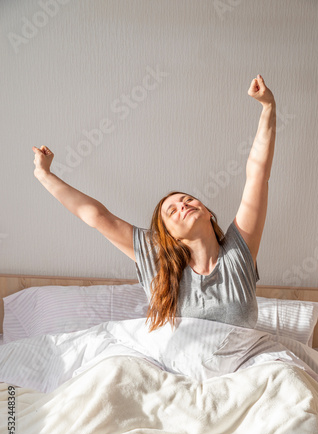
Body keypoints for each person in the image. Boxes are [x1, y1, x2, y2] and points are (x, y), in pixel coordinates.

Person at [32, 74, 276, 333]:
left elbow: (258, 173)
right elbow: (97, 216)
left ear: (207, 213)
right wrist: (44, 175)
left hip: (240, 367)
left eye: (188, 200)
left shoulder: (238, 253)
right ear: (168, 234)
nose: (183, 205)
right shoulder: (157, 258)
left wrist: (268, 107)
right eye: (172, 211)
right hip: (177, 369)